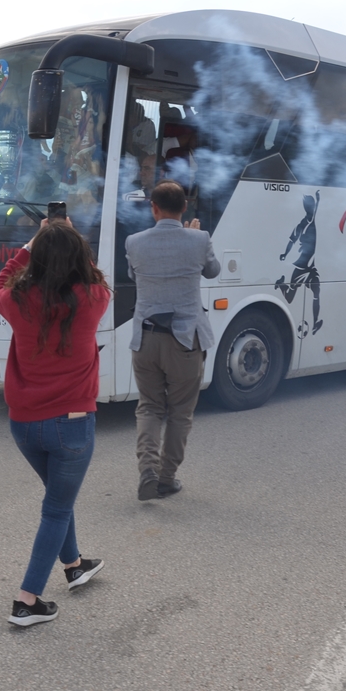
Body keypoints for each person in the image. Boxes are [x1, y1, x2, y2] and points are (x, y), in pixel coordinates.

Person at [0, 218, 110, 627]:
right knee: (56, 508)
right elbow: (93, 272)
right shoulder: (95, 297)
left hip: (24, 425)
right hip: (73, 423)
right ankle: (27, 601)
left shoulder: (17, 300)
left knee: (59, 498)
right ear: (80, 258)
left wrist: (31, 242)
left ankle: (74, 565)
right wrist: (70, 240)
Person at [125, 180, 221, 501]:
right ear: (184, 208)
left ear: (153, 208)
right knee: (180, 412)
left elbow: (134, 276)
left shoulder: (134, 242)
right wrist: (195, 236)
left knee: (150, 407)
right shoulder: (199, 239)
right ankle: (166, 478)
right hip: (185, 341)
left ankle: (147, 471)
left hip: (146, 340)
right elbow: (213, 271)